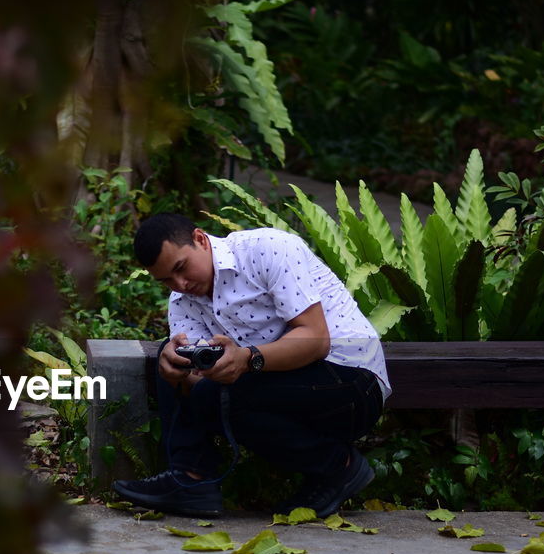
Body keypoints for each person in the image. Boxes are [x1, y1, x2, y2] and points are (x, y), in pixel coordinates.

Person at [111, 213, 390, 518]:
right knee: (173, 354)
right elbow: (200, 389)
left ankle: (339, 467)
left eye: (181, 268)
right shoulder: (182, 301)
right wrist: (180, 374)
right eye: (166, 280)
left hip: (351, 381)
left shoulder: (267, 248)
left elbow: (316, 339)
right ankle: (191, 480)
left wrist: (248, 359)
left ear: (201, 240)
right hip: (283, 388)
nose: (180, 284)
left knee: (225, 395)